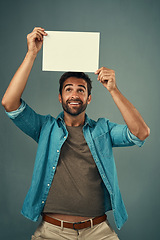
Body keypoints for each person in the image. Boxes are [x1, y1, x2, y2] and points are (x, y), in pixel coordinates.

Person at [2, 27, 150, 240]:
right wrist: (31, 54)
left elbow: (141, 132)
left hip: (98, 231)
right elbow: (9, 103)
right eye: (68, 89)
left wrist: (113, 89)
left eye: (81, 89)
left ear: (88, 98)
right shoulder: (45, 128)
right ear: (60, 97)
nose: (74, 94)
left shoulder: (103, 129)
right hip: (52, 232)